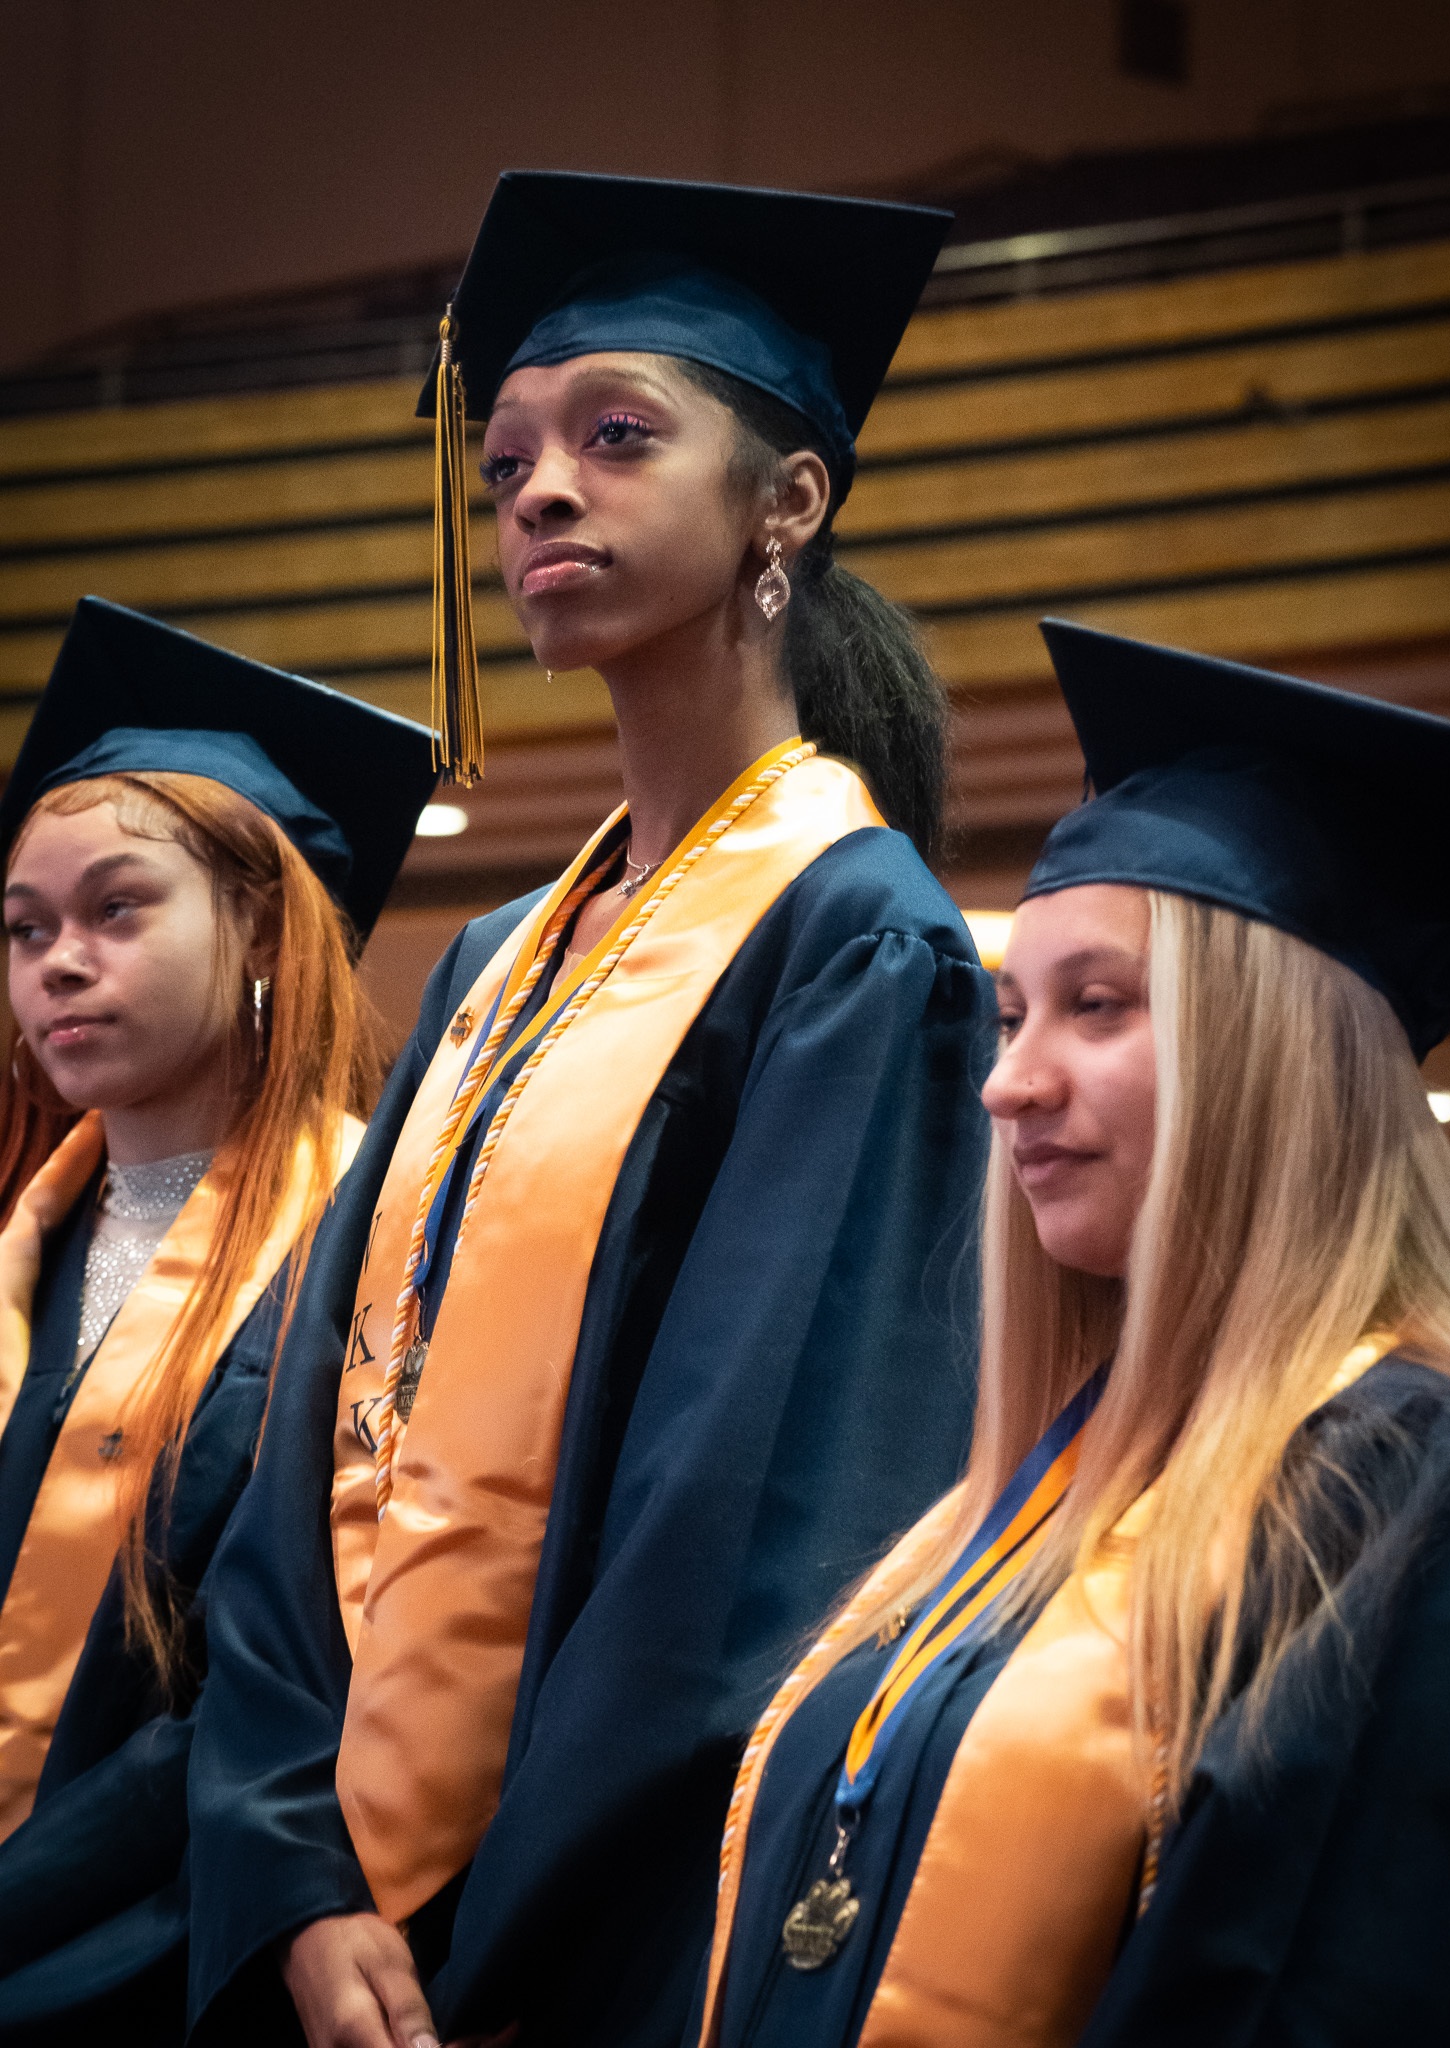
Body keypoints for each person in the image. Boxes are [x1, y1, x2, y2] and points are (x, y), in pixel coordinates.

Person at [186, 172, 996, 2048]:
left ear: (790, 500)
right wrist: (290, 1869)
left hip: (571, 1939)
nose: (541, 491)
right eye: (507, 463)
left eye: (618, 437)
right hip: (337, 1901)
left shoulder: (856, 940)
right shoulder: (500, 958)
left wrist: (503, 1932)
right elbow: (321, 1425)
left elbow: (757, 1517)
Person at [697, 618, 1450, 2048]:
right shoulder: (1035, 1482)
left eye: (1096, 1008)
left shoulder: (1406, 1473)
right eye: (1012, 1015)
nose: (1007, 1084)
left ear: (1270, 1053)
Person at [0, 597, 435, 2045]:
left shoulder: (378, 1249)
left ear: (257, 922)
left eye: (116, 909)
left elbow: (345, 1651)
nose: (59, 961)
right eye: (25, 928)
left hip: (198, 1942)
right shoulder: (22, 1256)